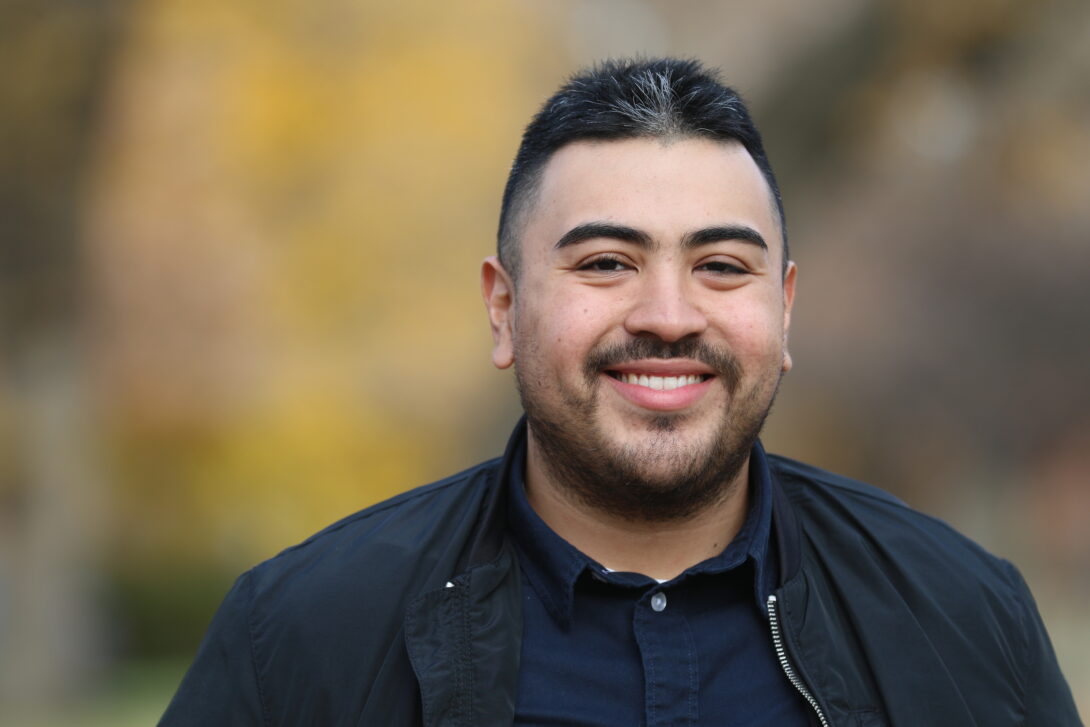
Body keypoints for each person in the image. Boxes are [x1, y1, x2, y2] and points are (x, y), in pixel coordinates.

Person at [159, 58, 1082, 726]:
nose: (671, 315)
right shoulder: (300, 637)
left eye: (722, 265)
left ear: (784, 310)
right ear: (503, 305)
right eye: (607, 261)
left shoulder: (964, 620)